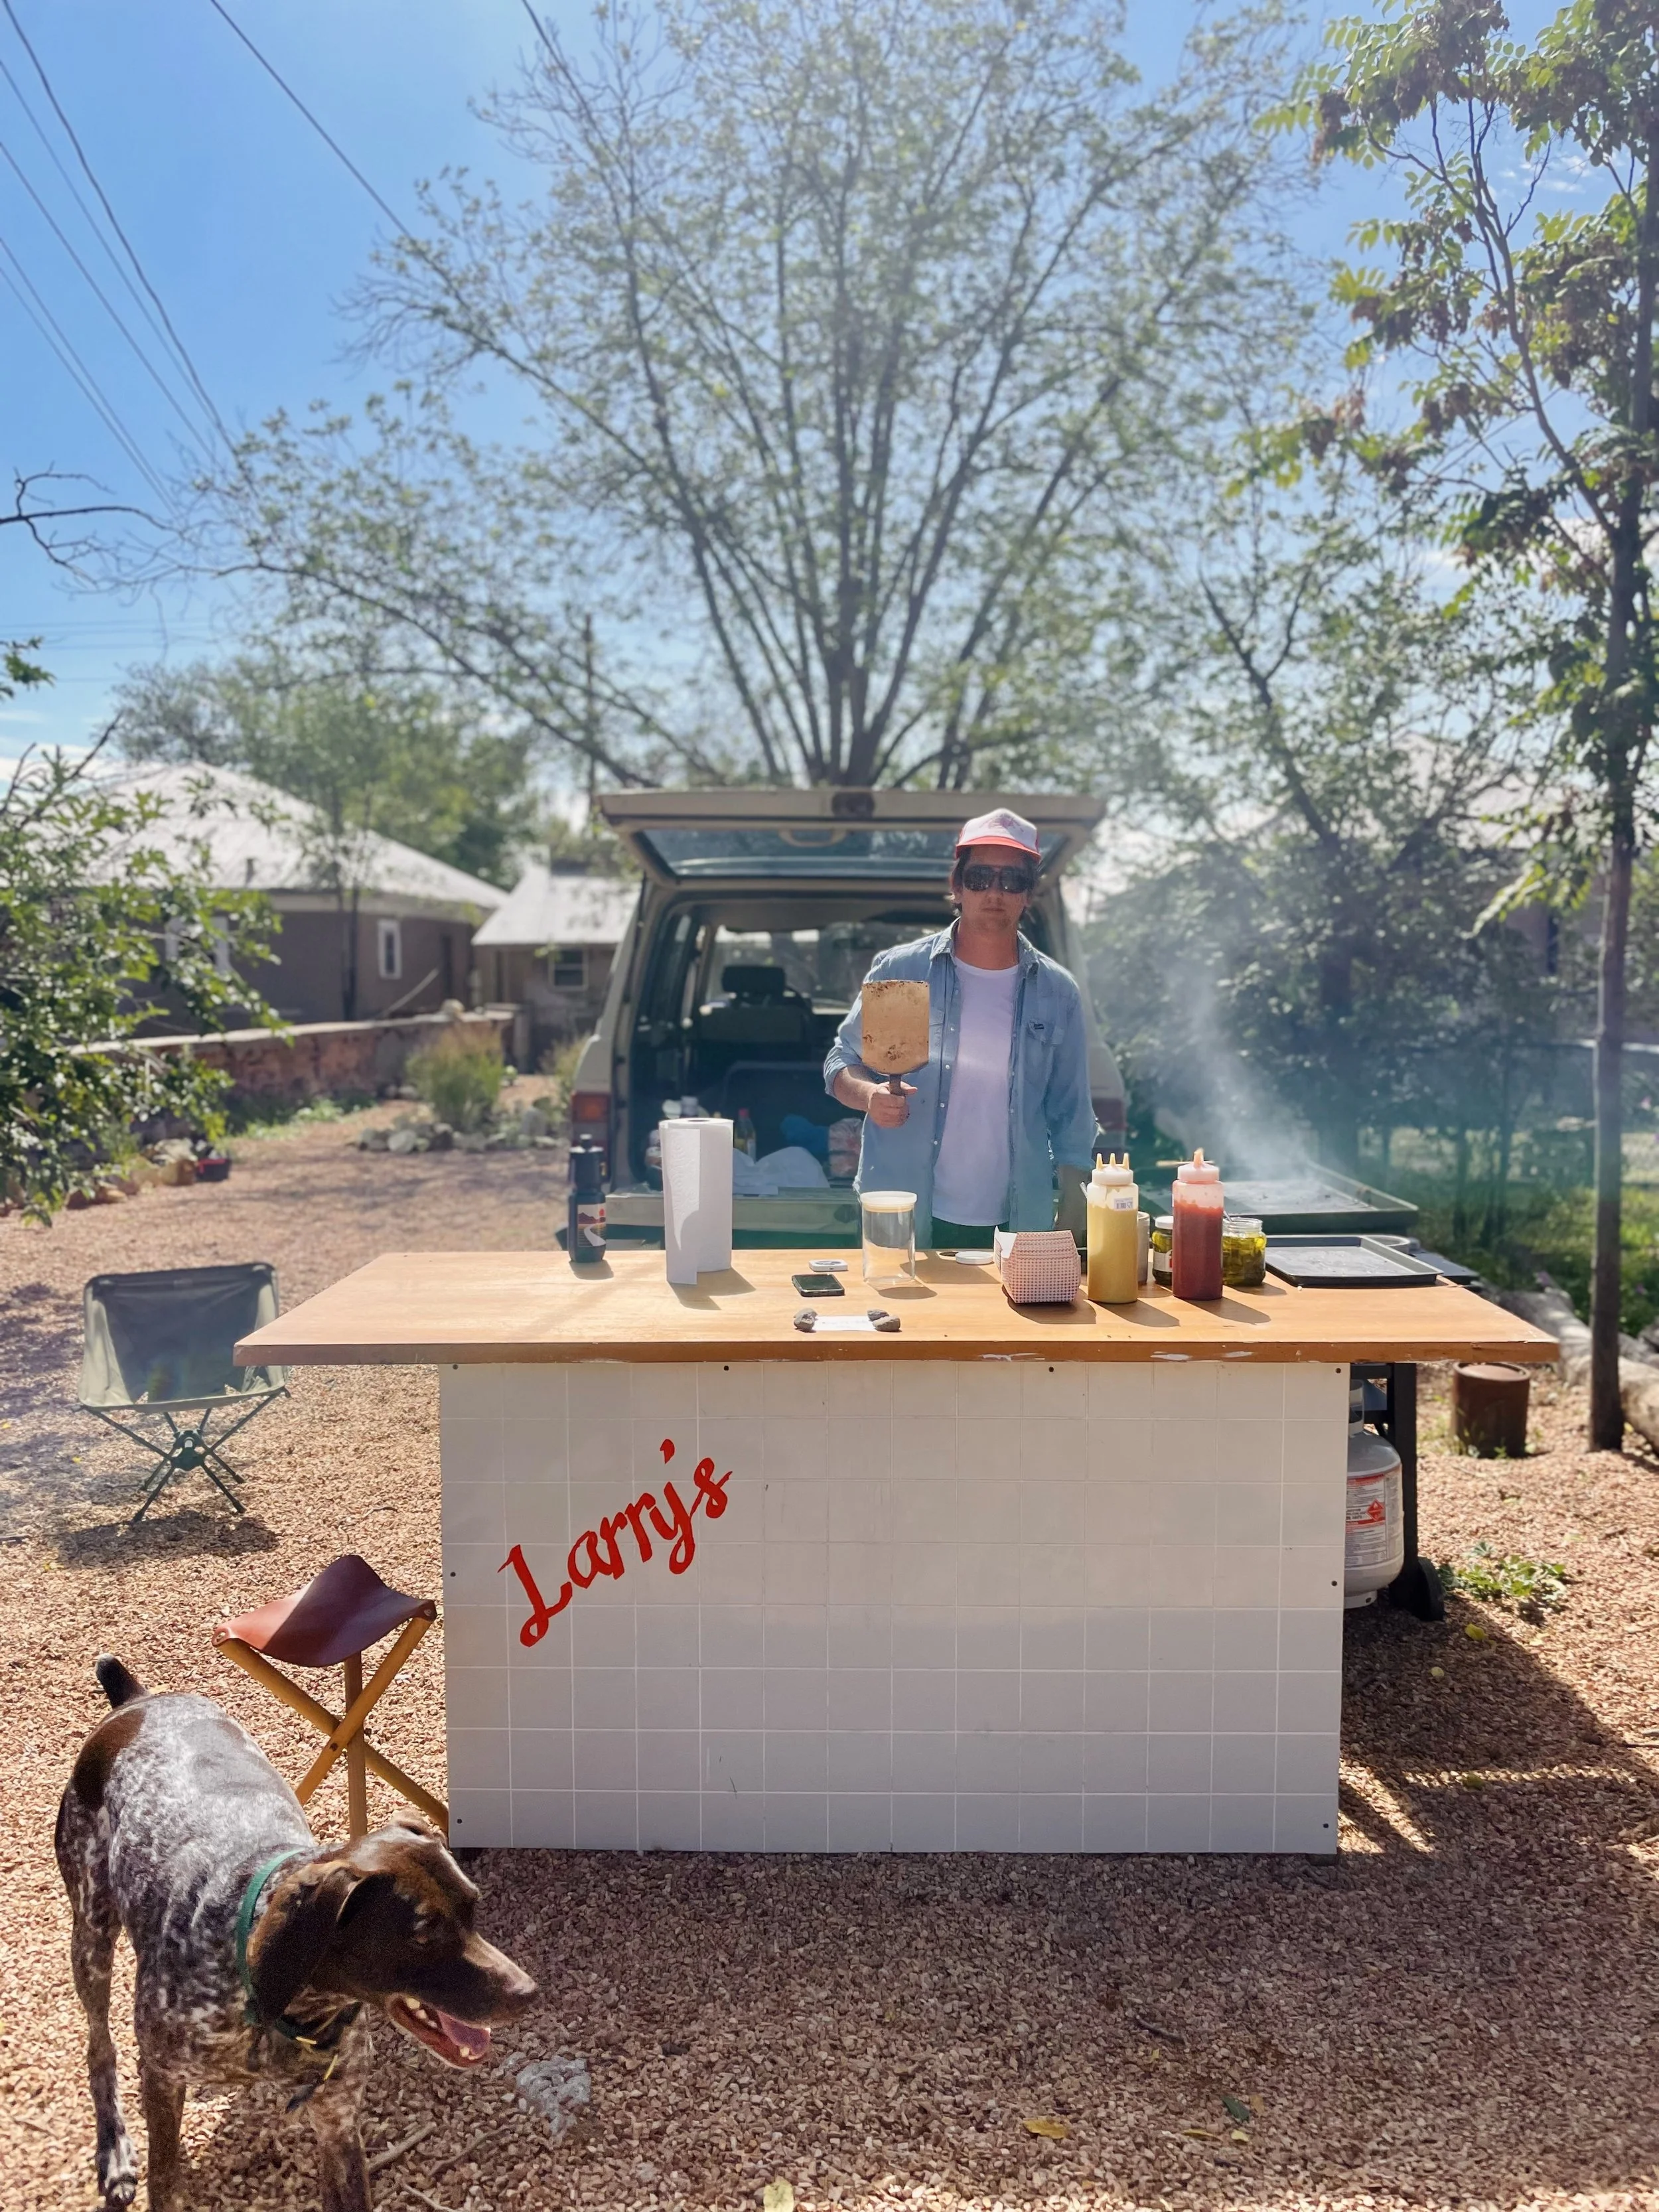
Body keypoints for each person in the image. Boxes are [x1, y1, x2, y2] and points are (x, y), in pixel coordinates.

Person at [823, 807, 1099, 1248]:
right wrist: (869, 1095)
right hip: (902, 1214)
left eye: (1012, 880)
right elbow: (842, 1062)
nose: (995, 892)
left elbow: (1072, 1114)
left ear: (1028, 894)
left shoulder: (1057, 991)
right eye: (980, 877)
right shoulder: (903, 971)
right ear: (958, 885)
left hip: (1019, 1223)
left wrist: (1071, 1216)